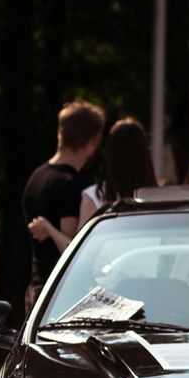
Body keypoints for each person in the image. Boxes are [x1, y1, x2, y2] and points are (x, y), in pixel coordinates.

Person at [22, 101, 105, 295]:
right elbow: (72, 252)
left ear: (60, 134)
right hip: (61, 295)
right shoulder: (73, 187)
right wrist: (50, 230)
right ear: (94, 142)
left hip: (36, 290)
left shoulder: (36, 177)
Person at [77, 117, 158, 225]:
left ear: (110, 154)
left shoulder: (95, 197)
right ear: (145, 157)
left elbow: (84, 240)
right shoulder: (157, 199)